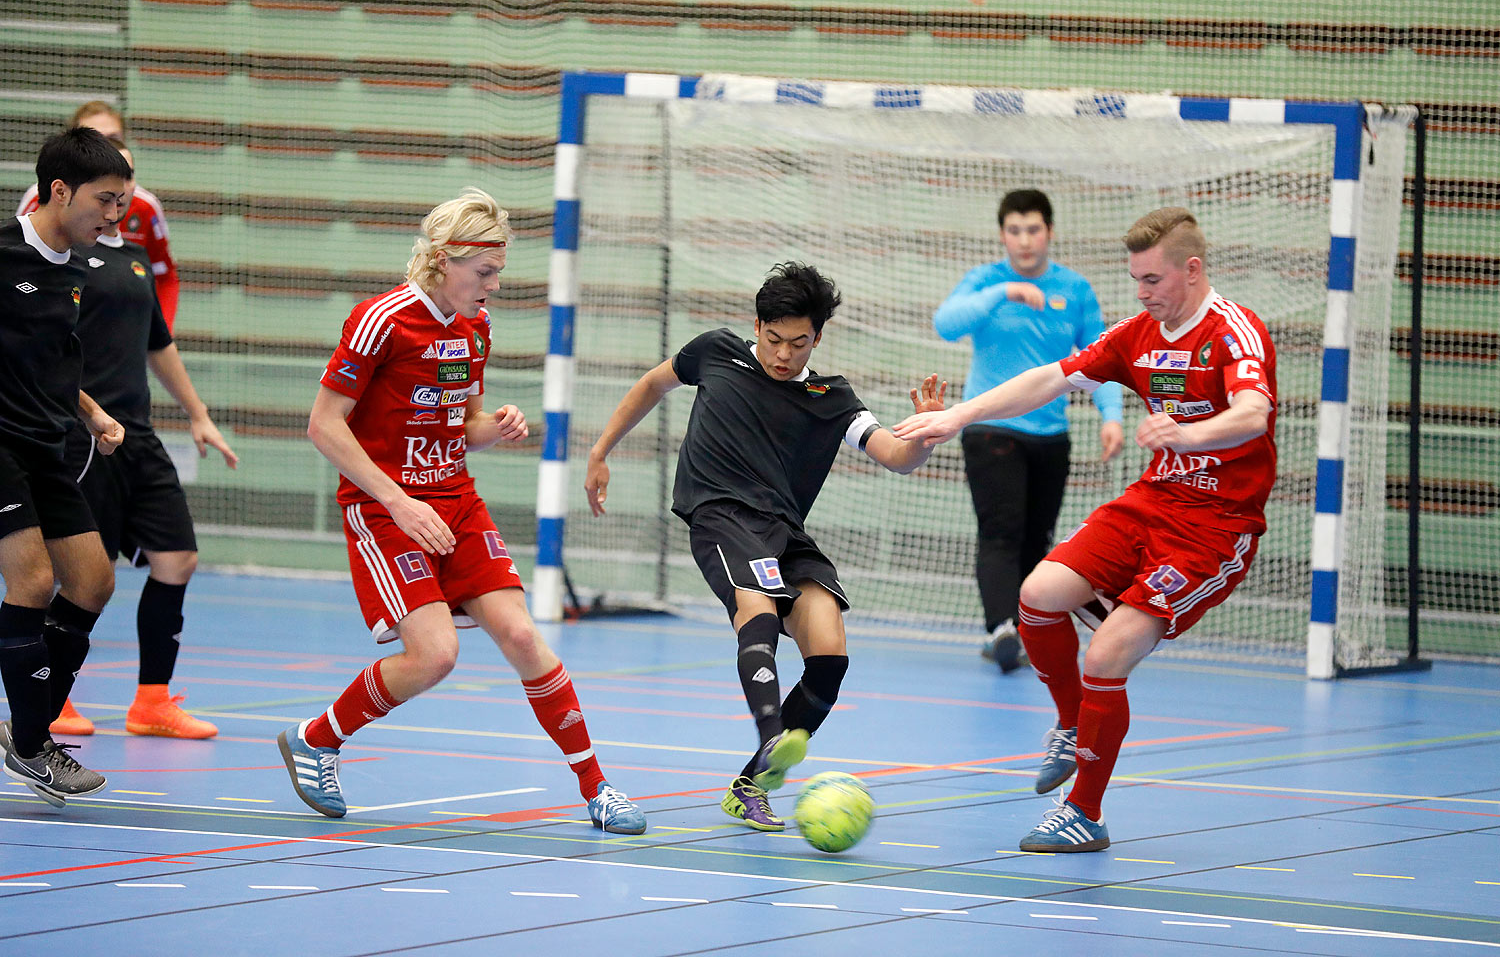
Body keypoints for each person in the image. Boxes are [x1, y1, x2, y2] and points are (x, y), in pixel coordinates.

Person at [895, 208, 1276, 852]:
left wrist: (1189, 434)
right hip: (1153, 500)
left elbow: (1253, 413)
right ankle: (1072, 724)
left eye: (1152, 279)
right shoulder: (1140, 332)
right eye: (1135, 279)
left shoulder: (1234, 332)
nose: (1142, 292)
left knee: (1105, 655)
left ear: (1192, 269)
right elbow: (1050, 378)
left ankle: (1085, 812)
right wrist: (957, 416)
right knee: (1038, 596)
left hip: (1216, 525)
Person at [277, 188, 646, 834]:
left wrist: (492, 427)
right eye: (486, 272)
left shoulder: (475, 327)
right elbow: (323, 426)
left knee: (525, 636)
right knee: (435, 656)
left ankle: (597, 788)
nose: (495, 285)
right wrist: (398, 500)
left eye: (498, 272)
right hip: (384, 508)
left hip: (456, 500)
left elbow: (460, 422)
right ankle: (318, 737)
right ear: (444, 260)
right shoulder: (382, 319)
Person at [585, 262, 946, 831]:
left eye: (798, 343)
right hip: (721, 515)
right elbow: (653, 383)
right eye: (774, 339)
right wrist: (601, 451)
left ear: (817, 338)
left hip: (787, 533)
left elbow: (896, 456)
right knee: (754, 604)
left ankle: (750, 785)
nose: (783, 354)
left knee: (830, 655)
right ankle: (772, 733)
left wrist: (925, 432)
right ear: (757, 326)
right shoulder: (716, 353)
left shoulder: (832, 397)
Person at [48, 140, 239, 741]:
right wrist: (84, 415)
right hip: (86, 438)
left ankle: (152, 702)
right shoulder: (62, 261)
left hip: (141, 434)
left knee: (177, 557)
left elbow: (159, 345)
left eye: (124, 184)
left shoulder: (133, 260)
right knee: (86, 573)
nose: (118, 196)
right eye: (107, 185)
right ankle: (55, 698)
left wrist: (199, 414)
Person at [934, 189, 1123, 672]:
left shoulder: (1074, 290)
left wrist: (1112, 417)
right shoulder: (986, 281)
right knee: (1001, 531)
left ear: (1050, 232)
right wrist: (1005, 292)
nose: (1024, 240)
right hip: (991, 428)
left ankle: (1022, 629)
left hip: (1051, 436)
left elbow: (1101, 359)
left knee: (1038, 539)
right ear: (1002, 235)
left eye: (1033, 229)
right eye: (1014, 231)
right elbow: (946, 324)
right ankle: (1000, 628)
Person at [0, 128, 131, 806]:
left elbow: (46, 361)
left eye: (122, 205)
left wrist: (90, 412)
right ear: (59, 191)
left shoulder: (73, 273)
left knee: (93, 582)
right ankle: (32, 744)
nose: (114, 217)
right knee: (32, 579)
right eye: (105, 202)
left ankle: (24, 732)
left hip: (44, 444)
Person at [18, 101, 182, 330]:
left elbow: (164, 277)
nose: (106, 148)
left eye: (113, 138)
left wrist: (157, 337)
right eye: (94, 138)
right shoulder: (39, 198)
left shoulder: (145, 207)